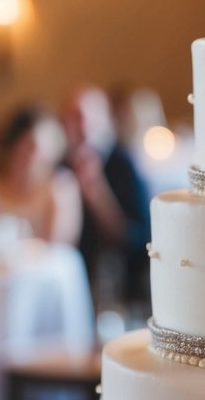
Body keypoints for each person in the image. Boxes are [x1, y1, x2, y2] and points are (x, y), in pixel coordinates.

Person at [61, 85, 151, 305]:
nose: (83, 127)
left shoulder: (122, 164)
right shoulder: (60, 167)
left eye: (90, 118)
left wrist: (98, 195)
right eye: (75, 118)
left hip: (119, 285)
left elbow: (139, 238)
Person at [0, 104, 81, 242]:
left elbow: (59, 247)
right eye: (23, 146)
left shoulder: (60, 189)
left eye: (34, 147)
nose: (28, 156)